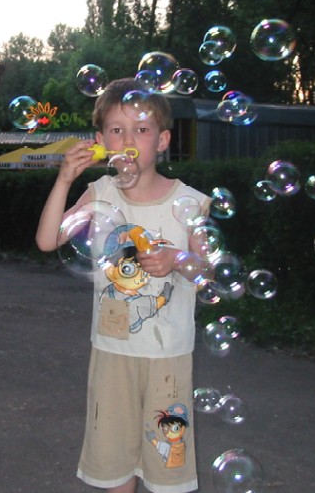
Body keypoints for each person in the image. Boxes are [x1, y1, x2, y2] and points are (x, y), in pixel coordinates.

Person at [36, 78, 210, 493]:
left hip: (168, 356)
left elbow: (211, 270)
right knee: (114, 466)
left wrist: (179, 259)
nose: (129, 139)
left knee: (168, 462)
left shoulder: (188, 201)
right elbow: (47, 241)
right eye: (117, 130)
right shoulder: (99, 192)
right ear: (101, 141)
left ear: (163, 140)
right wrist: (64, 179)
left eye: (142, 129)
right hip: (112, 351)